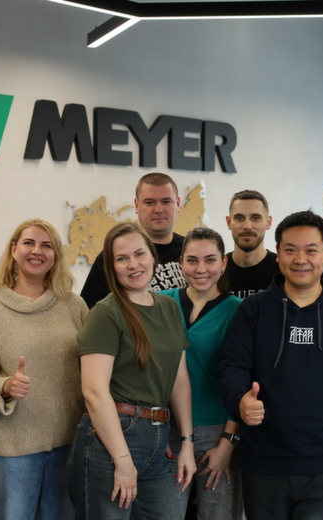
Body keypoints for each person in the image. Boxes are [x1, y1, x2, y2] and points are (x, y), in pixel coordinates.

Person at [219, 210, 323, 520]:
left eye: (311, 250)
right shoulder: (253, 310)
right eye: (290, 250)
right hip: (264, 462)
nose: (300, 259)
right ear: (278, 254)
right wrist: (240, 402)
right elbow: (232, 368)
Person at [67, 222, 196, 520]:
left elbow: (179, 381)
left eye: (139, 254)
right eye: (122, 258)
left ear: (152, 256)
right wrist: (122, 459)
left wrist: (187, 442)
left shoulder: (169, 307)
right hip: (112, 439)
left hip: (158, 435)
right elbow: (94, 392)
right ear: (111, 267)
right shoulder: (106, 313)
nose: (133, 264)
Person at [0, 219, 88, 520]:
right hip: (14, 448)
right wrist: (5, 386)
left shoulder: (75, 306)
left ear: (55, 255)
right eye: (29, 243)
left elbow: (93, 371)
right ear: (14, 250)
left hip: (70, 444)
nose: (37, 251)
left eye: (46, 245)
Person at [163, 227, 244, 520]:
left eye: (210, 260)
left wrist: (228, 444)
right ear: (181, 263)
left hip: (218, 431)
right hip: (168, 430)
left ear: (223, 263)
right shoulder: (161, 303)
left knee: (217, 515)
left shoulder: (239, 311)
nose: (201, 269)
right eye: (192, 260)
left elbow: (244, 381)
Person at [80, 172, 187, 308]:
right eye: (149, 202)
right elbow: (89, 310)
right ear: (136, 205)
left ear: (177, 204)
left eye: (166, 202)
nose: (158, 209)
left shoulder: (191, 250)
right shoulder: (113, 255)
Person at [225, 189, 279, 299]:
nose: (247, 226)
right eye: (239, 218)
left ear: (268, 222)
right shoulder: (216, 272)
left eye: (255, 218)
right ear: (229, 222)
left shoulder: (283, 271)